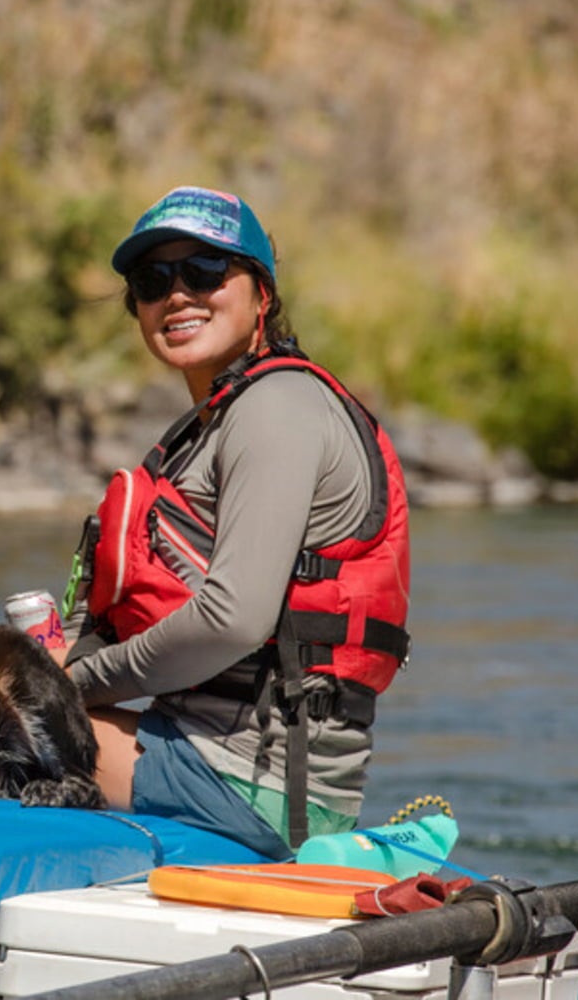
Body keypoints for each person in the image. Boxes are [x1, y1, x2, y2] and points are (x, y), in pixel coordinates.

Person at [58, 185, 411, 860]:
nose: (177, 294)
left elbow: (232, 620)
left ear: (262, 295)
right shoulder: (209, 425)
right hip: (201, 751)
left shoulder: (276, 407)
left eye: (205, 271)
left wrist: (69, 685)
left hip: (252, 785)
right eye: (153, 280)